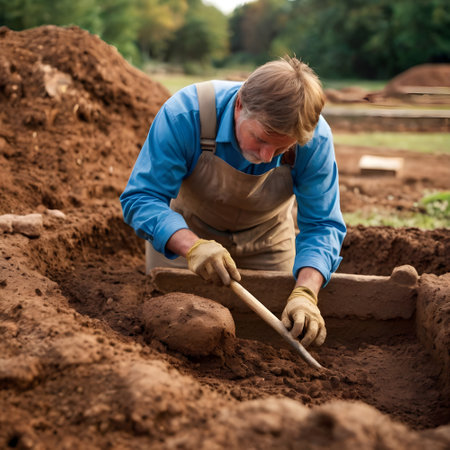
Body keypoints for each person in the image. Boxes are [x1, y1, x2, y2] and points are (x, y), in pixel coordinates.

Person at [120, 56, 346, 348]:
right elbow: (142, 197)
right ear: (240, 105)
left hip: (268, 241)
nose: (267, 156)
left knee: (266, 343)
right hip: (186, 237)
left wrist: (306, 292)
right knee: (170, 337)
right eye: (261, 139)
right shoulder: (186, 114)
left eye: (282, 147)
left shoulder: (313, 140)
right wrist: (192, 246)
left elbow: (322, 224)